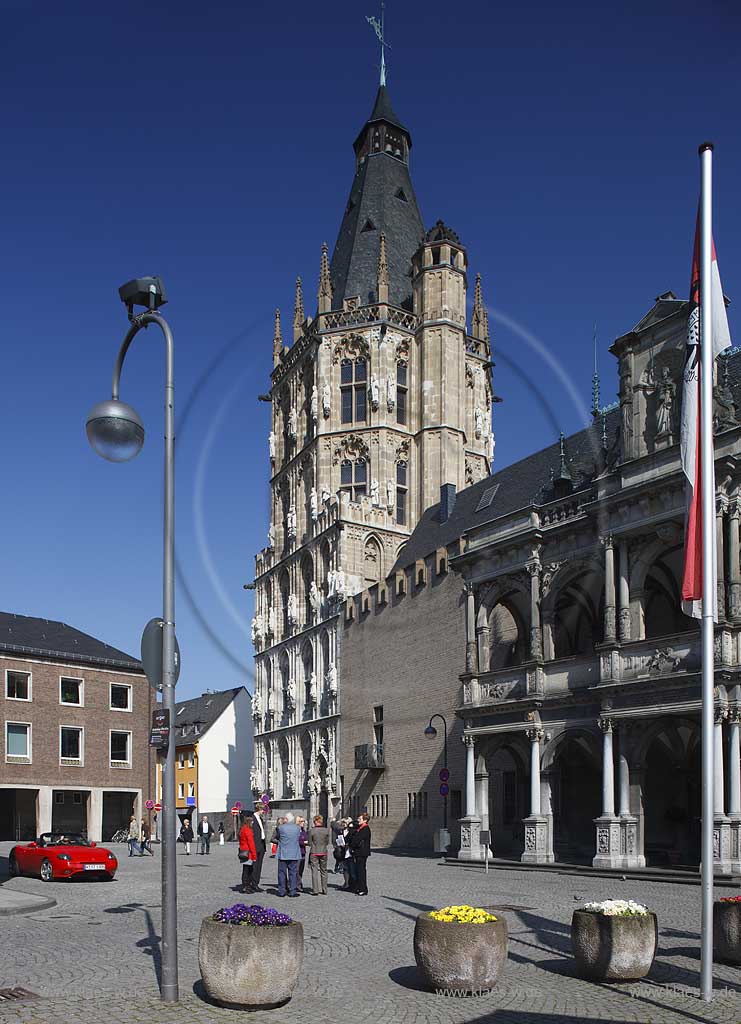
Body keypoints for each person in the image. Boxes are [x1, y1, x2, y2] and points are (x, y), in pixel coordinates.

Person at [272, 812, 301, 898]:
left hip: (283, 853)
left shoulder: (280, 828)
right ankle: (292, 891)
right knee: (293, 873)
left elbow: (275, 838)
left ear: (286, 819)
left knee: (281, 873)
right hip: (294, 853)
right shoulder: (297, 828)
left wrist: (280, 842)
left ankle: (282, 891)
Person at [349, 812, 371, 896]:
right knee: (358, 870)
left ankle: (363, 889)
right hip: (358, 852)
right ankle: (359, 887)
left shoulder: (365, 829)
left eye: (360, 819)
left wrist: (352, 844)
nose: (358, 820)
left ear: (365, 820)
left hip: (362, 852)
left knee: (361, 871)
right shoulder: (360, 828)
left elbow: (357, 840)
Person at [308, 815, 330, 895]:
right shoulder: (326, 830)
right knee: (324, 871)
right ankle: (325, 889)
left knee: (314, 871)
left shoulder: (311, 831)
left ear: (315, 821)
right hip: (323, 851)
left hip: (314, 851)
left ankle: (315, 890)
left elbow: (310, 842)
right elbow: (327, 842)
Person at [250, 802, 267, 892]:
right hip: (255, 845)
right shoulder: (252, 818)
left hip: (261, 844)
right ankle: (253, 883)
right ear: (259, 809)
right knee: (254, 865)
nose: (263, 811)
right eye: (263, 809)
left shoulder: (260, 818)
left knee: (259, 865)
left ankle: (256, 883)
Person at [238, 813, 258, 893]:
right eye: (252, 822)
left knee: (245, 869)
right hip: (248, 853)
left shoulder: (242, 829)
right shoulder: (248, 830)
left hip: (243, 851)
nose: (253, 823)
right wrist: (254, 855)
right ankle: (246, 886)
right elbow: (251, 844)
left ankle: (244, 885)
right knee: (248, 870)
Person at [296, 816, 308, 891]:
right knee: (296, 870)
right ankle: (297, 885)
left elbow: (306, 837)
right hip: (297, 852)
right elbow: (295, 840)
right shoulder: (296, 830)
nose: (303, 823)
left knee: (301, 870)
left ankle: (299, 884)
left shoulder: (303, 830)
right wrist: (303, 842)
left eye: (304, 821)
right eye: (301, 821)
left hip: (303, 852)